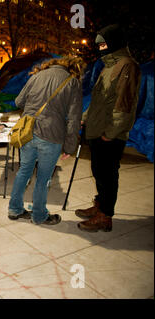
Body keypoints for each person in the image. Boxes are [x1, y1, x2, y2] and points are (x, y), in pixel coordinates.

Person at [76, 24, 141, 232]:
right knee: (99, 172)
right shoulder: (108, 66)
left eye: (104, 43)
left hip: (109, 134)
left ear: (114, 42)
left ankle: (105, 216)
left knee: (108, 175)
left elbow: (124, 103)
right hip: (97, 130)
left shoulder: (127, 66)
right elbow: (98, 101)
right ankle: (100, 206)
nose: (101, 47)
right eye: (99, 44)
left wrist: (110, 134)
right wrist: (84, 118)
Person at [7, 56, 85, 225]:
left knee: (24, 171)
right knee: (43, 178)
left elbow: (18, 101)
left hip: (27, 131)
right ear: (74, 68)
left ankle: (14, 209)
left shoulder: (36, 76)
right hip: (52, 134)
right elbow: (73, 118)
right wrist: (69, 147)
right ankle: (39, 215)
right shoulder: (73, 82)